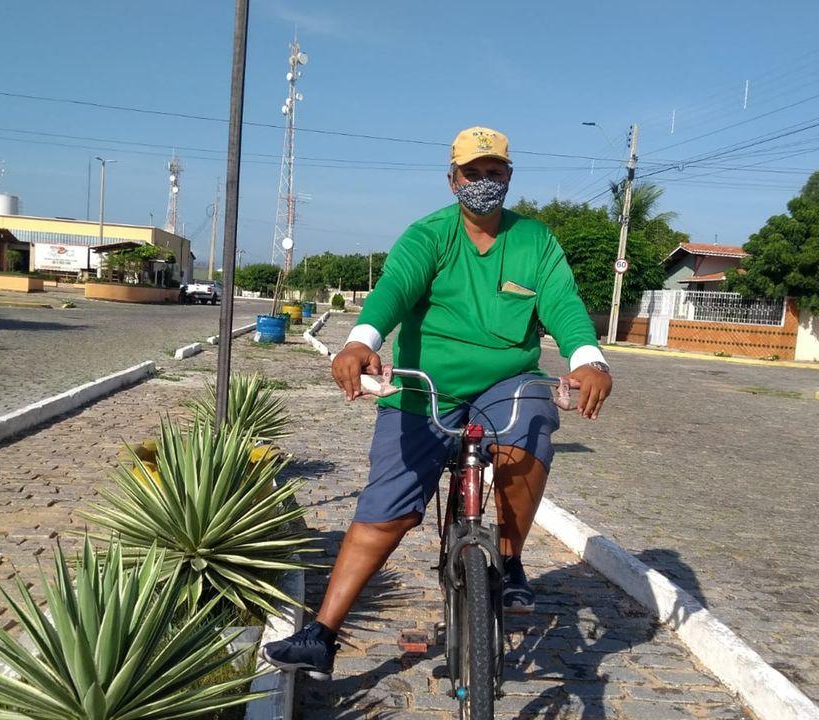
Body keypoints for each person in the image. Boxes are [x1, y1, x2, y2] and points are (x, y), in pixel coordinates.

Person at [263, 127, 613, 680]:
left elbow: (564, 304)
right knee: (389, 508)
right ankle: (322, 634)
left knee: (533, 426)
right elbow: (394, 290)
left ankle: (512, 559)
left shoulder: (536, 241)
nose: (484, 183)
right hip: (427, 383)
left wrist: (589, 357)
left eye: (495, 173)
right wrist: (362, 341)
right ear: (453, 179)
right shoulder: (429, 235)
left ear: (509, 178)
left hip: (505, 381)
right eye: (472, 173)